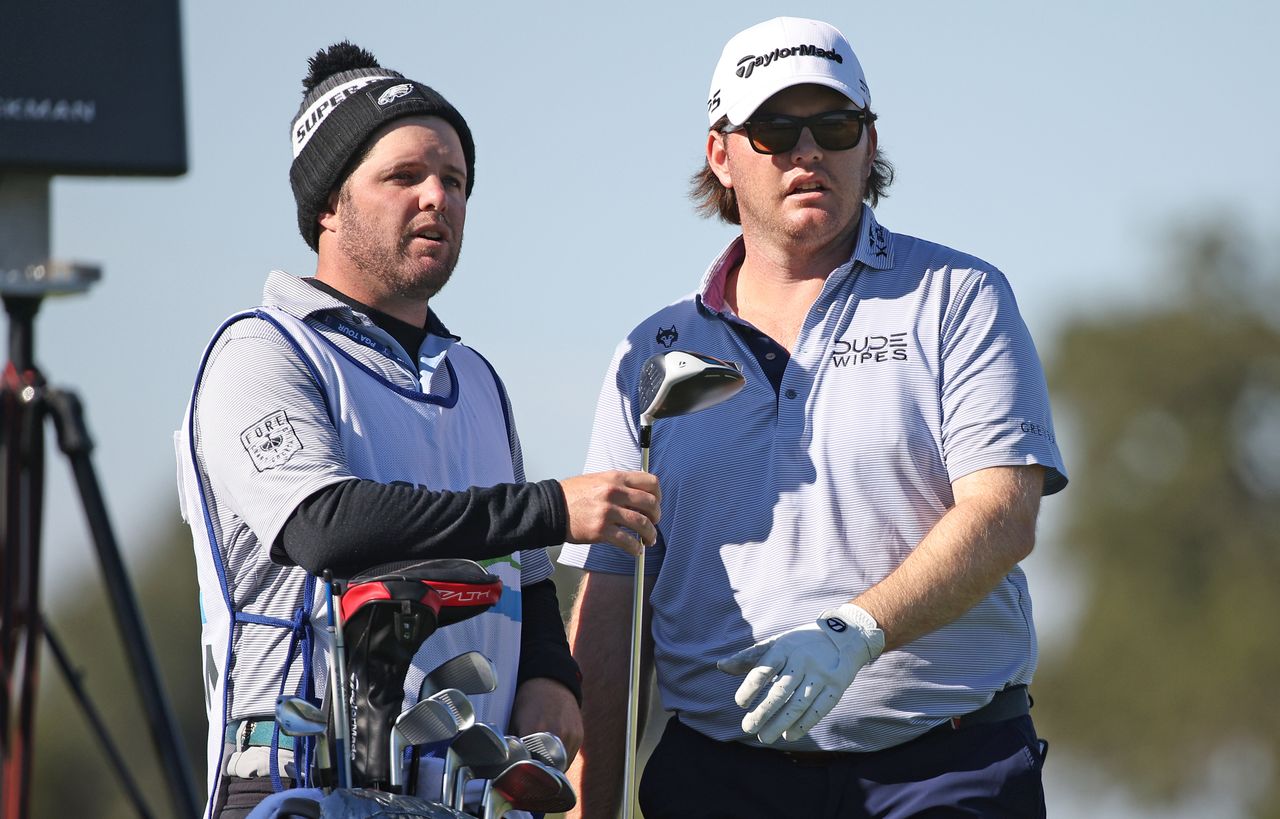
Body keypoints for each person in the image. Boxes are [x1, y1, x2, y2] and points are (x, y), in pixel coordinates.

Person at [560, 16, 1067, 818]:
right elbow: (615, 602)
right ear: (720, 155)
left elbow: (1003, 514)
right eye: (773, 128)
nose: (808, 151)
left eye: (834, 125)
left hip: (945, 768)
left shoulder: (959, 296)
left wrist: (853, 632)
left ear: (869, 146)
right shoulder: (650, 353)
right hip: (721, 779)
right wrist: (591, 807)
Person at [174, 42, 661, 819]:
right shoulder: (261, 349)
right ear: (328, 204)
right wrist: (547, 507)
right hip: (296, 781)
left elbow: (528, 580)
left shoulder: (476, 378)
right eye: (405, 177)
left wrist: (551, 680)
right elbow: (324, 527)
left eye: (455, 181)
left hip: (464, 795)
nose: (438, 197)